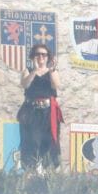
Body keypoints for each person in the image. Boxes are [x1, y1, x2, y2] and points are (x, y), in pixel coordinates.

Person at [18, 44, 62, 172]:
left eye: (44, 54)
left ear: (48, 57)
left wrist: (51, 70)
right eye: (38, 54)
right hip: (31, 112)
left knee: (49, 142)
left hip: (48, 113)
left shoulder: (53, 72)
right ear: (33, 56)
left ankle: (47, 172)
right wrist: (35, 71)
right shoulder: (27, 71)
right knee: (31, 141)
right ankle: (31, 171)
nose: (41, 57)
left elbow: (55, 85)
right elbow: (25, 84)